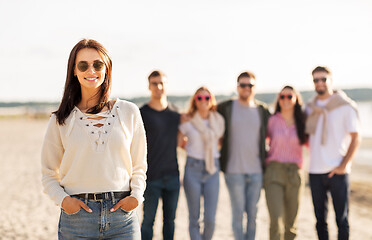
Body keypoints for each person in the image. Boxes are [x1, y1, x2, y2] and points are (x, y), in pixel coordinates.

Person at [41, 39, 147, 239]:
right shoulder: (60, 120)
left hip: (122, 219)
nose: (91, 70)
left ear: (106, 68)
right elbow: (48, 173)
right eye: (83, 65)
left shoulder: (128, 111)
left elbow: (139, 165)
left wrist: (136, 197)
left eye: (97, 64)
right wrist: (64, 201)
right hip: (77, 220)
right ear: (74, 70)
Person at [306, 66, 361, 240]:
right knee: (320, 220)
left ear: (331, 80)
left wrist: (343, 165)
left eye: (323, 79)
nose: (320, 83)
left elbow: (356, 137)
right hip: (315, 171)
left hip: (337, 171)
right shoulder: (309, 108)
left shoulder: (345, 106)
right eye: (316, 80)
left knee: (342, 219)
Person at [217, 71, 270, 240]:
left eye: (250, 85)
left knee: (254, 215)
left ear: (255, 87)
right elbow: (204, 113)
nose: (246, 88)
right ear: (237, 87)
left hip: (256, 171)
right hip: (233, 172)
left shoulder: (263, 111)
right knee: (237, 215)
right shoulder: (226, 107)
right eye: (243, 85)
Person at [178, 86, 225, 240]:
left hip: (213, 169)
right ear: (195, 101)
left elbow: (220, 142)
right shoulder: (188, 121)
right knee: (194, 217)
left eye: (207, 98)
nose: (203, 101)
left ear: (211, 100)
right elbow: (179, 141)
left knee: (210, 219)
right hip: (193, 169)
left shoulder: (218, 120)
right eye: (199, 98)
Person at [140, 70, 181, 240]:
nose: (159, 87)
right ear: (149, 86)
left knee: (170, 221)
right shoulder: (142, 113)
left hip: (173, 175)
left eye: (162, 83)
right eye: (155, 83)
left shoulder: (175, 112)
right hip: (151, 177)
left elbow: (183, 138)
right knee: (148, 221)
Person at [264, 86, 307, 240]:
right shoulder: (271, 120)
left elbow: (313, 143)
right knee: (276, 220)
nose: (286, 100)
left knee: (291, 223)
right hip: (274, 172)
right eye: (282, 96)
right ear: (278, 99)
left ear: (296, 99)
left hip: (294, 173)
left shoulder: (303, 121)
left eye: (289, 96)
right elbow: (259, 141)